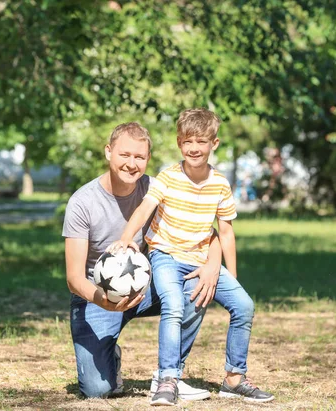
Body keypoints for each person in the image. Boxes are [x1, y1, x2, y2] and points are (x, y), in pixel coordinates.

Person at [109, 108, 274, 406]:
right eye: (187, 141)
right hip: (166, 256)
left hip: (200, 259)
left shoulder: (220, 184)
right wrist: (126, 239)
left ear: (215, 143)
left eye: (201, 141)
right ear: (178, 143)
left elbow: (225, 233)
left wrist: (231, 276)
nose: (194, 148)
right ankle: (167, 379)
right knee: (173, 305)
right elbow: (145, 209)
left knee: (244, 306)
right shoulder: (168, 177)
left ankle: (234, 378)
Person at [63, 122, 223, 400]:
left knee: (198, 285)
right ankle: (109, 354)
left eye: (139, 157)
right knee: (97, 391)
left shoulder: (156, 188)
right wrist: (102, 299)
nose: (131, 164)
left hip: (147, 286)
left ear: (148, 159)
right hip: (95, 296)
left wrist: (212, 265)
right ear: (108, 152)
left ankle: (168, 376)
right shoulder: (82, 202)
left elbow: (206, 230)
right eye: (124, 155)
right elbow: (74, 278)